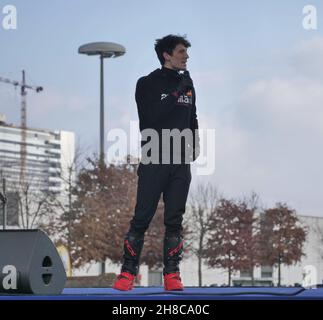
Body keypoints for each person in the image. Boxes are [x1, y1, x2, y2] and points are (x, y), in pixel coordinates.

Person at [113, 34, 199, 291]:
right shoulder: (147, 83)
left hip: (180, 162)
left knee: (175, 220)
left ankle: (172, 276)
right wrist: (177, 92)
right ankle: (127, 274)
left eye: (186, 52)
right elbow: (152, 117)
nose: (186, 56)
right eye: (182, 51)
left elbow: (192, 116)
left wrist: (195, 144)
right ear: (167, 55)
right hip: (154, 158)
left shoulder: (188, 83)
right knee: (142, 217)